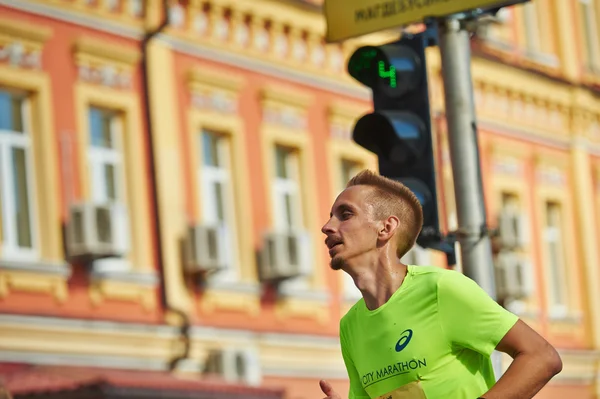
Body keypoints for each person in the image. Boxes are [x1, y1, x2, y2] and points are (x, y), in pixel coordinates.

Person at [319, 170, 562, 399]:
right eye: (331, 216)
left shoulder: (440, 289)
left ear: (386, 227)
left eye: (346, 214)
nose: (327, 226)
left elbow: (541, 357)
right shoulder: (350, 326)